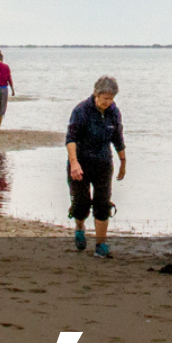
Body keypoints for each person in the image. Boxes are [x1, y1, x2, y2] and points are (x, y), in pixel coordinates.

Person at [65, 75, 126, 257]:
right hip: (81, 163)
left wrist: (123, 161)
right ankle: (79, 227)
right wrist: (74, 163)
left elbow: (117, 138)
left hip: (103, 163)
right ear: (95, 93)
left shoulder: (114, 112)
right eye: (104, 98)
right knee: (81, 204)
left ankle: (101, 245)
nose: (107, 102)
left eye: (111, 99)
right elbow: (71, 139)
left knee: (102, 204)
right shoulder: (81, 110)